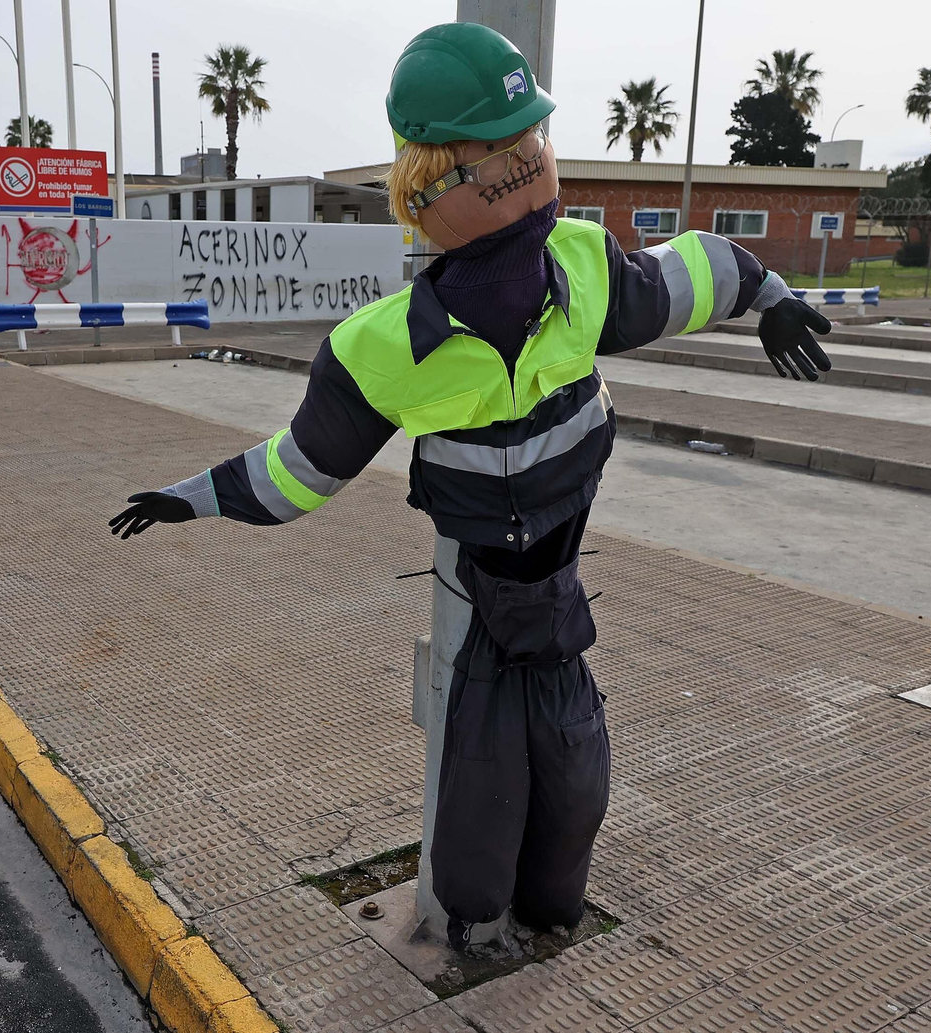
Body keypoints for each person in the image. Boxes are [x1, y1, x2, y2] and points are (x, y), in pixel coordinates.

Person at [108, 22, 832, 949]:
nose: (524, 171)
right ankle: (473, 921)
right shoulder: (381, 347)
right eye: (496, 159)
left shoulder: (584, 265)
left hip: (559, 602)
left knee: (575, 792)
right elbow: (301, 469)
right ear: (429, 187)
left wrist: (771, 297)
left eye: (530, 147)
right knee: (475, 838)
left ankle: (547, 913)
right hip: (482, 606)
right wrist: (193, 496)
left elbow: (692, 270)